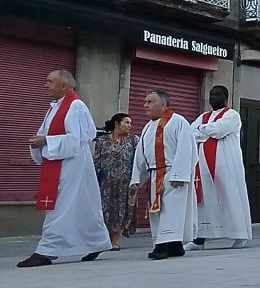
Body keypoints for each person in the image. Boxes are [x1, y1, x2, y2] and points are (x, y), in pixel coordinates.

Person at [18, 71, 110, 268]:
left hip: (72, 164)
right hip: (62, 162)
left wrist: (46, 141)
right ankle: (96, 241)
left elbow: (77, 139)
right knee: (83, 206)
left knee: (59, 206)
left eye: (50, 81)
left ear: (64, 86)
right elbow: (48, 132)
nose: (46, 85)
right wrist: (39, 141)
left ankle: (47, 251)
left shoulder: (75, 106)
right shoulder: (56, 107)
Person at [130, 90, 198, 260]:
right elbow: (141, 153)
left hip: (172, 174)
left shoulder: (178, 122)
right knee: (158, 211)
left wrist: (179, 174)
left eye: (150, 102)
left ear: (164, 104)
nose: (145, 105)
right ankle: (175, 246)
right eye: (145, 102)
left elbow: (186, 148)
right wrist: (137, 177)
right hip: (154, 174)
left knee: (171, 211)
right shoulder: (148, 126)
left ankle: (162, 246)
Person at [187, 86, 252, 251]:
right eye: (211, 95)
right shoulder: (204, 116)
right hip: (203, 165)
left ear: (225, 98)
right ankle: (199, 239)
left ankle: (240, 234)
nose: (212, 98)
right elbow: (190, 133)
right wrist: (205, 130)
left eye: (216, 95)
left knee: (230, 196)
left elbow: (218, 131)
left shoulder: (232, 115)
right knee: (204, 200)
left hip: (226, 164)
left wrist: (202, 130)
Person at [93, 113, 139, 251]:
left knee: (121, 210)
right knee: (105, 209)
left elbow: (139, 161)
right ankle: (105, 239)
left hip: (126, 183)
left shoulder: (133, 140)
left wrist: (137, 179)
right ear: (117, 124)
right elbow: (96, 160)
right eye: (126, 122)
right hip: (105, 182)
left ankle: (115, 241)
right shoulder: (102, 141)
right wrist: (92, 179)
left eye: (130, 123)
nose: (129, 125)